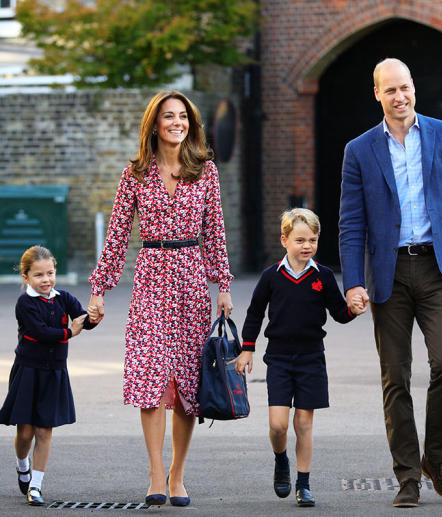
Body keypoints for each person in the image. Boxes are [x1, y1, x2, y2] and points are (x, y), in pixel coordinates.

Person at [338, 57, 442, 507]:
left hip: (439, 267)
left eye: (405, 87)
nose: (399, 97)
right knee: (395, 377)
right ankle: (406, 475)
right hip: (389, 275)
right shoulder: (359, 150)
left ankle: (435, 460)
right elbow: (351, 223)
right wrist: (352, 282)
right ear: (377, 95)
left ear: (414, 88)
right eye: (390, 90)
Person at [87, 90, 234, 507]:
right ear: (154, 123)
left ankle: (177, 475)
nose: (177, 123)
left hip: (190, 280)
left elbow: (216, 234)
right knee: (150, 376)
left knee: (188, 382)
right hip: (151, 279)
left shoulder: (205, 171)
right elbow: (116, 239)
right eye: (169, 116)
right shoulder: (134, 174)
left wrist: (222, 285)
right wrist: (99, 290)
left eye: (183, 117)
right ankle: (155, 473)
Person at [234, 208, 362, 507]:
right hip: (278, 359)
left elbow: (339, 314)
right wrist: (247, 348)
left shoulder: (324, 276)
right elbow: (255, 313)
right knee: (278, 425)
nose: (307, 246)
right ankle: (281, 460)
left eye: (313, 240)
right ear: (285, 240)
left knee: (303, 423)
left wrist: (353, 310)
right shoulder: (271, 276)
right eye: (300, 240)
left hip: (311, 359)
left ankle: (303, 484)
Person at [0, 246, 99, 506]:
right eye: (39, 275)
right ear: (26, 277)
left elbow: (82, 319)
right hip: (29, 371)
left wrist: (93, 318)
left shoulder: (63, 297)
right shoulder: (25, 303)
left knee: (44, 430)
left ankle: (36, 486)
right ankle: (23, 465)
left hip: (54, 372)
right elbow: (39, 333)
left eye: (51, 273)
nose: (46, 280)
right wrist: (70, 332)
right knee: (25, 433)